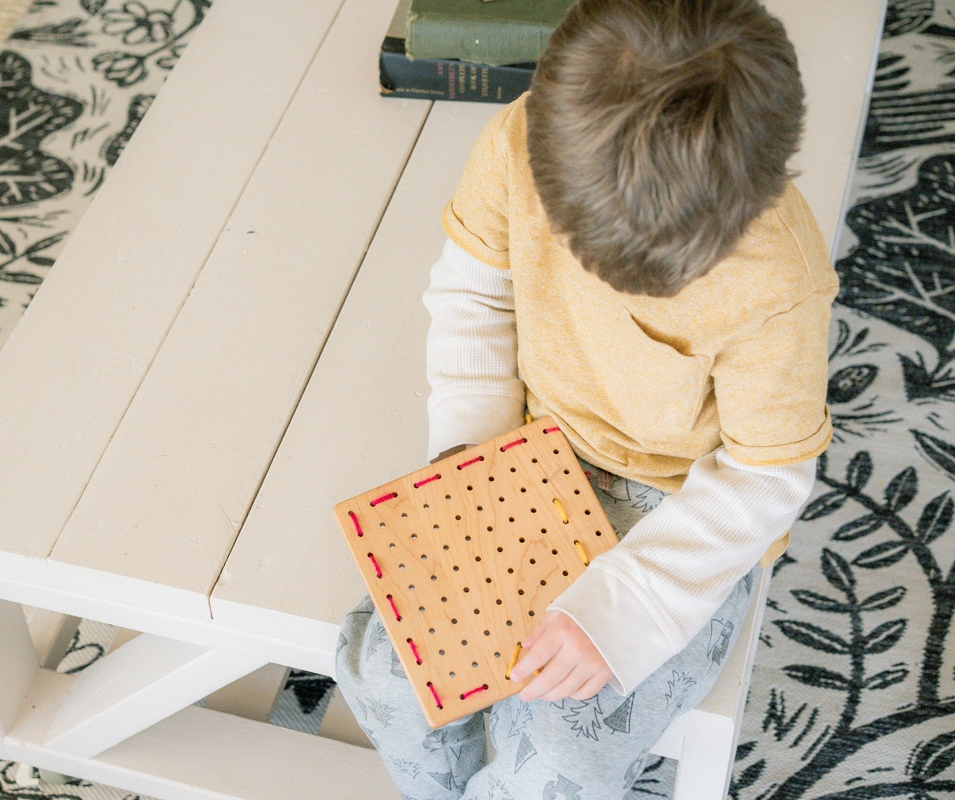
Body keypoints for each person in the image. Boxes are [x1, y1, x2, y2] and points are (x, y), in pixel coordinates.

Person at [335, 0, 837, 797]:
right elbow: (474, 299)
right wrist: (469, 463)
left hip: (681, 511)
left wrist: (623, 611)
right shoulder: (521, 139)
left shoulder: (777, 279)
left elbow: (766, 476)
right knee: (388, 669)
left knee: (566, 743)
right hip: (527, 450)